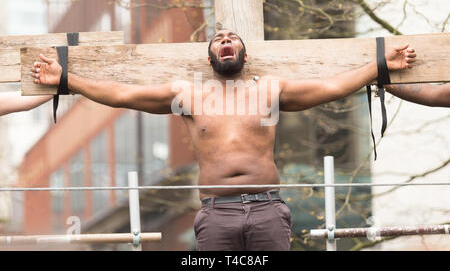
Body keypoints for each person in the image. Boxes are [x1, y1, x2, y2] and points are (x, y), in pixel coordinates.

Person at [31, 29, 416, 251]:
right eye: (218, 39)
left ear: (243, 57)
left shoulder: (268, 90)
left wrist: (379, 66)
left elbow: (331, 87)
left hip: (267, 209)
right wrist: (66, 79)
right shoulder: (189, 95)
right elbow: (121, 93)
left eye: (232, 38)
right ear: (211, 57)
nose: (225, 40)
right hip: (217, 213)